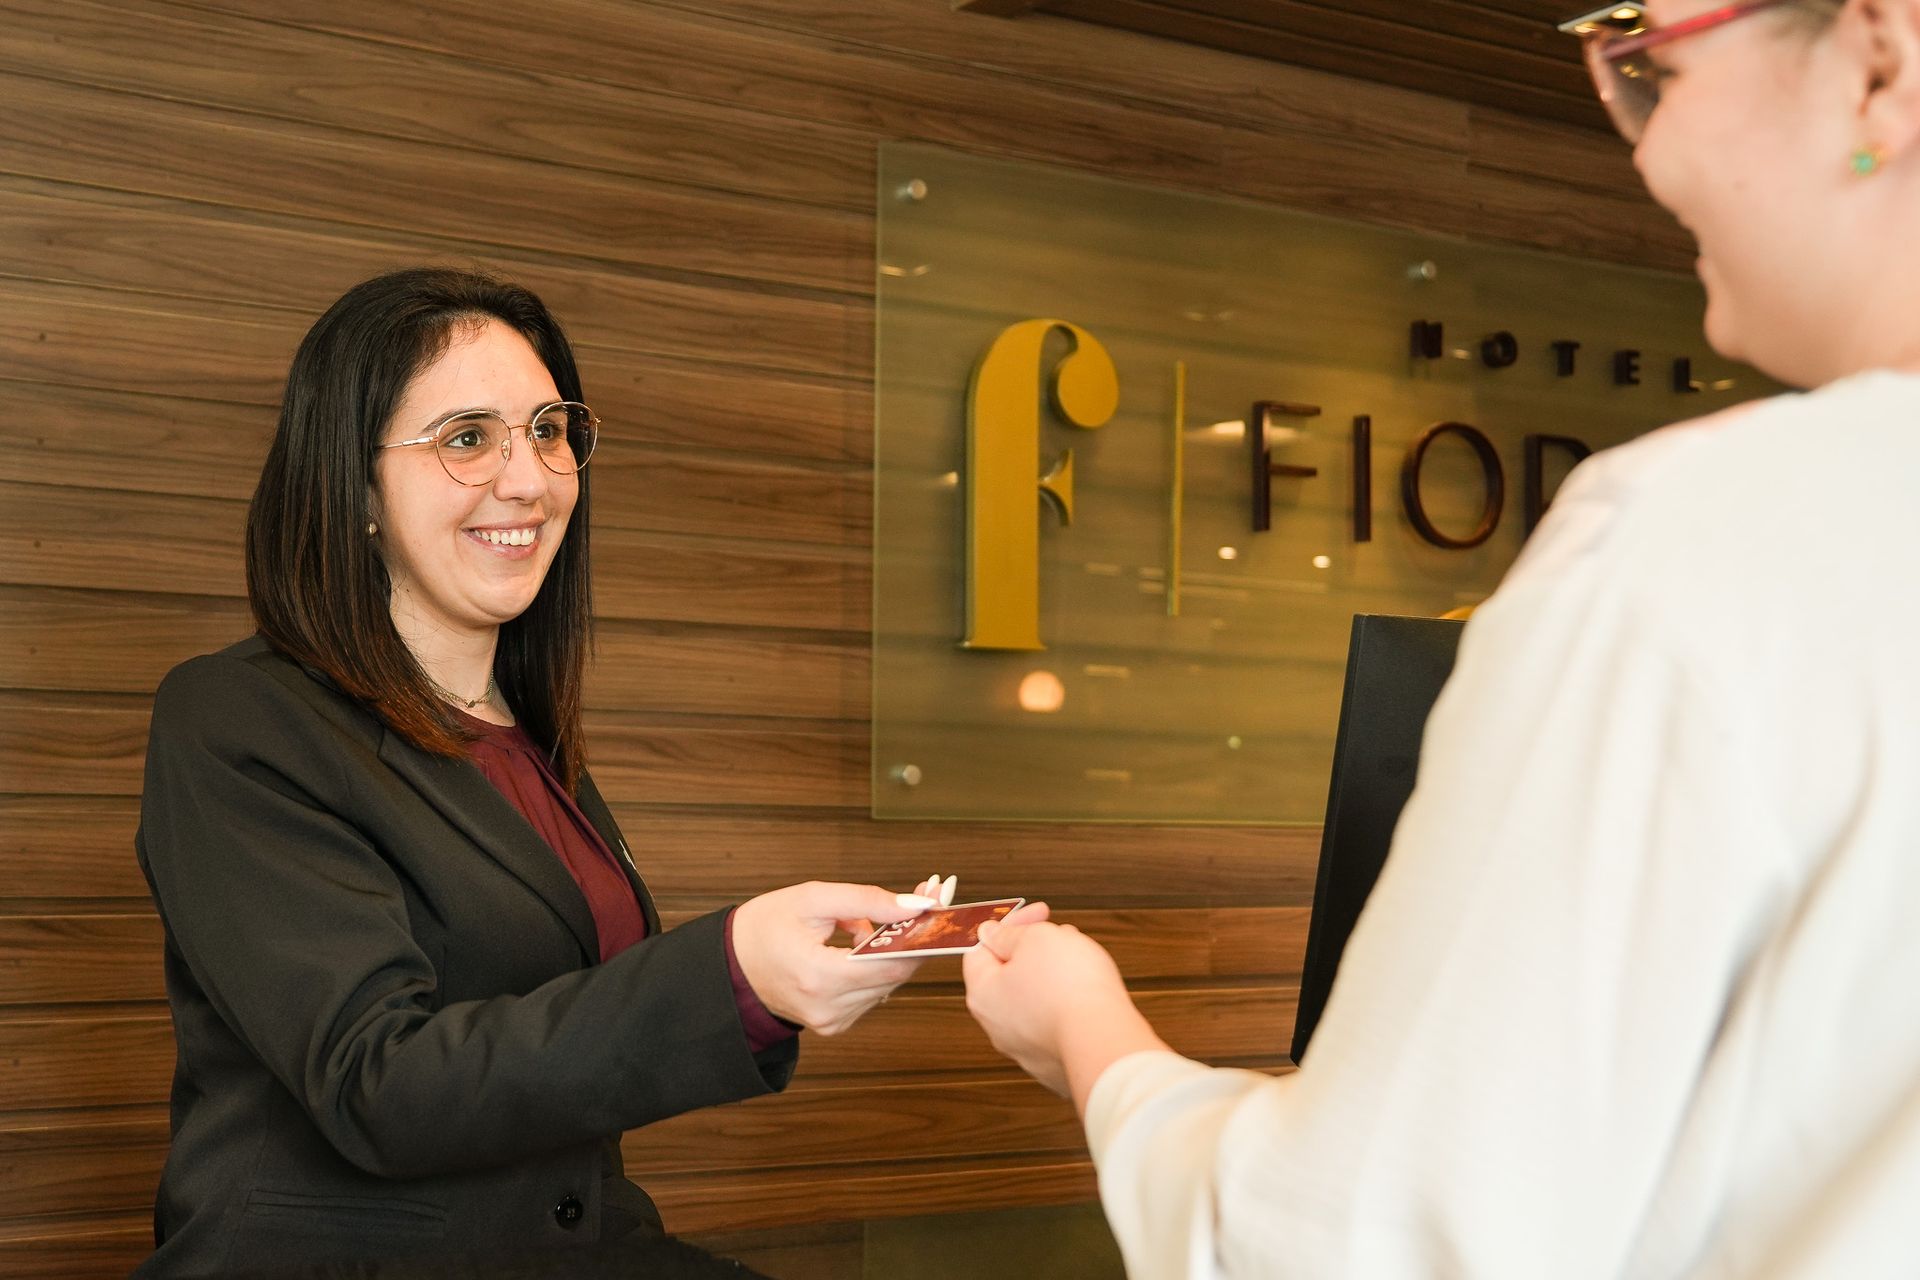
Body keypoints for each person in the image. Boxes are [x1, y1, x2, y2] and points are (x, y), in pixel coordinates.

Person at [963, 1, 1920, 1274]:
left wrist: (1090, 1034)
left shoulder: (1696, 539)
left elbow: (1349, 1246)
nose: (1644, 148)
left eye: (1655, 63)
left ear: (1879, 61)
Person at [134, 267, 956, 1276]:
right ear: (355, 487)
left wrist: (769, 979)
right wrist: (732, 974)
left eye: (549, 431)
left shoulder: (527, 738)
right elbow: (375, 1080)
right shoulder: (238, 718)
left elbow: (561, 1089)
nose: (529, 479)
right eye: (467, 438)